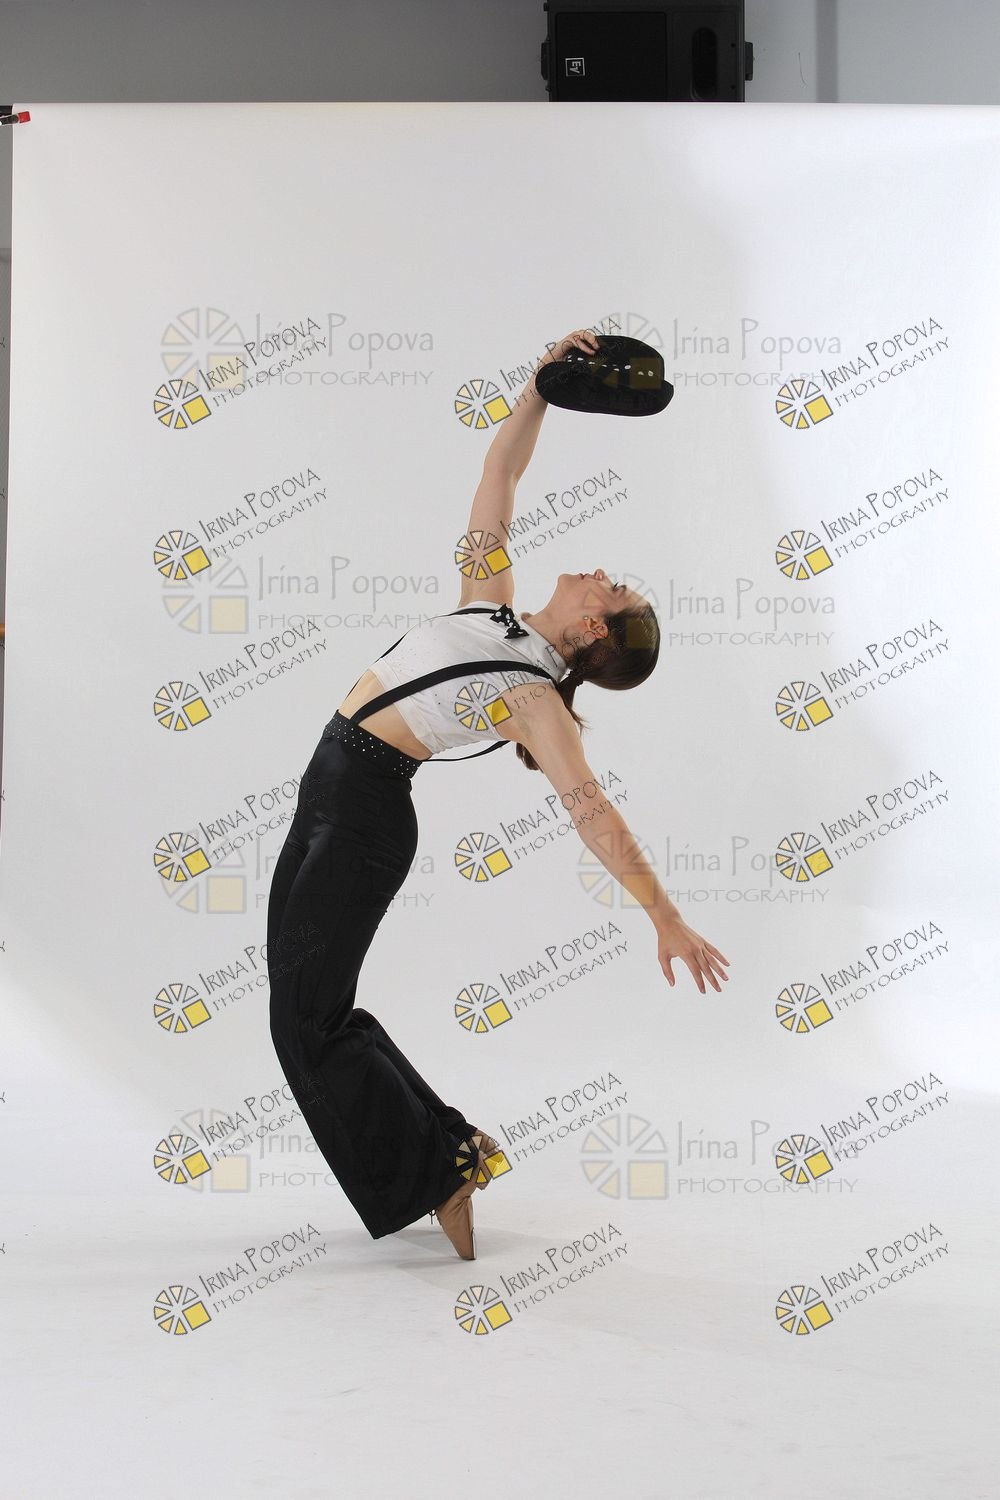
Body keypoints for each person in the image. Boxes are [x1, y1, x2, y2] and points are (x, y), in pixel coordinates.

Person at [266, 327, 730, 1262]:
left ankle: (448, 1163)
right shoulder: (493, 609)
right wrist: (539, 390)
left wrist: (664, 914)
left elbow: (592, 812)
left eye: (611, 586)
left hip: (363, 816)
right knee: (306, 1009)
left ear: (594, 627)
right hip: (328, 795)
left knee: (306, 1019)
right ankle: (451, 1152)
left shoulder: (532, 698)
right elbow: (499, 476)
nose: (598, 571)